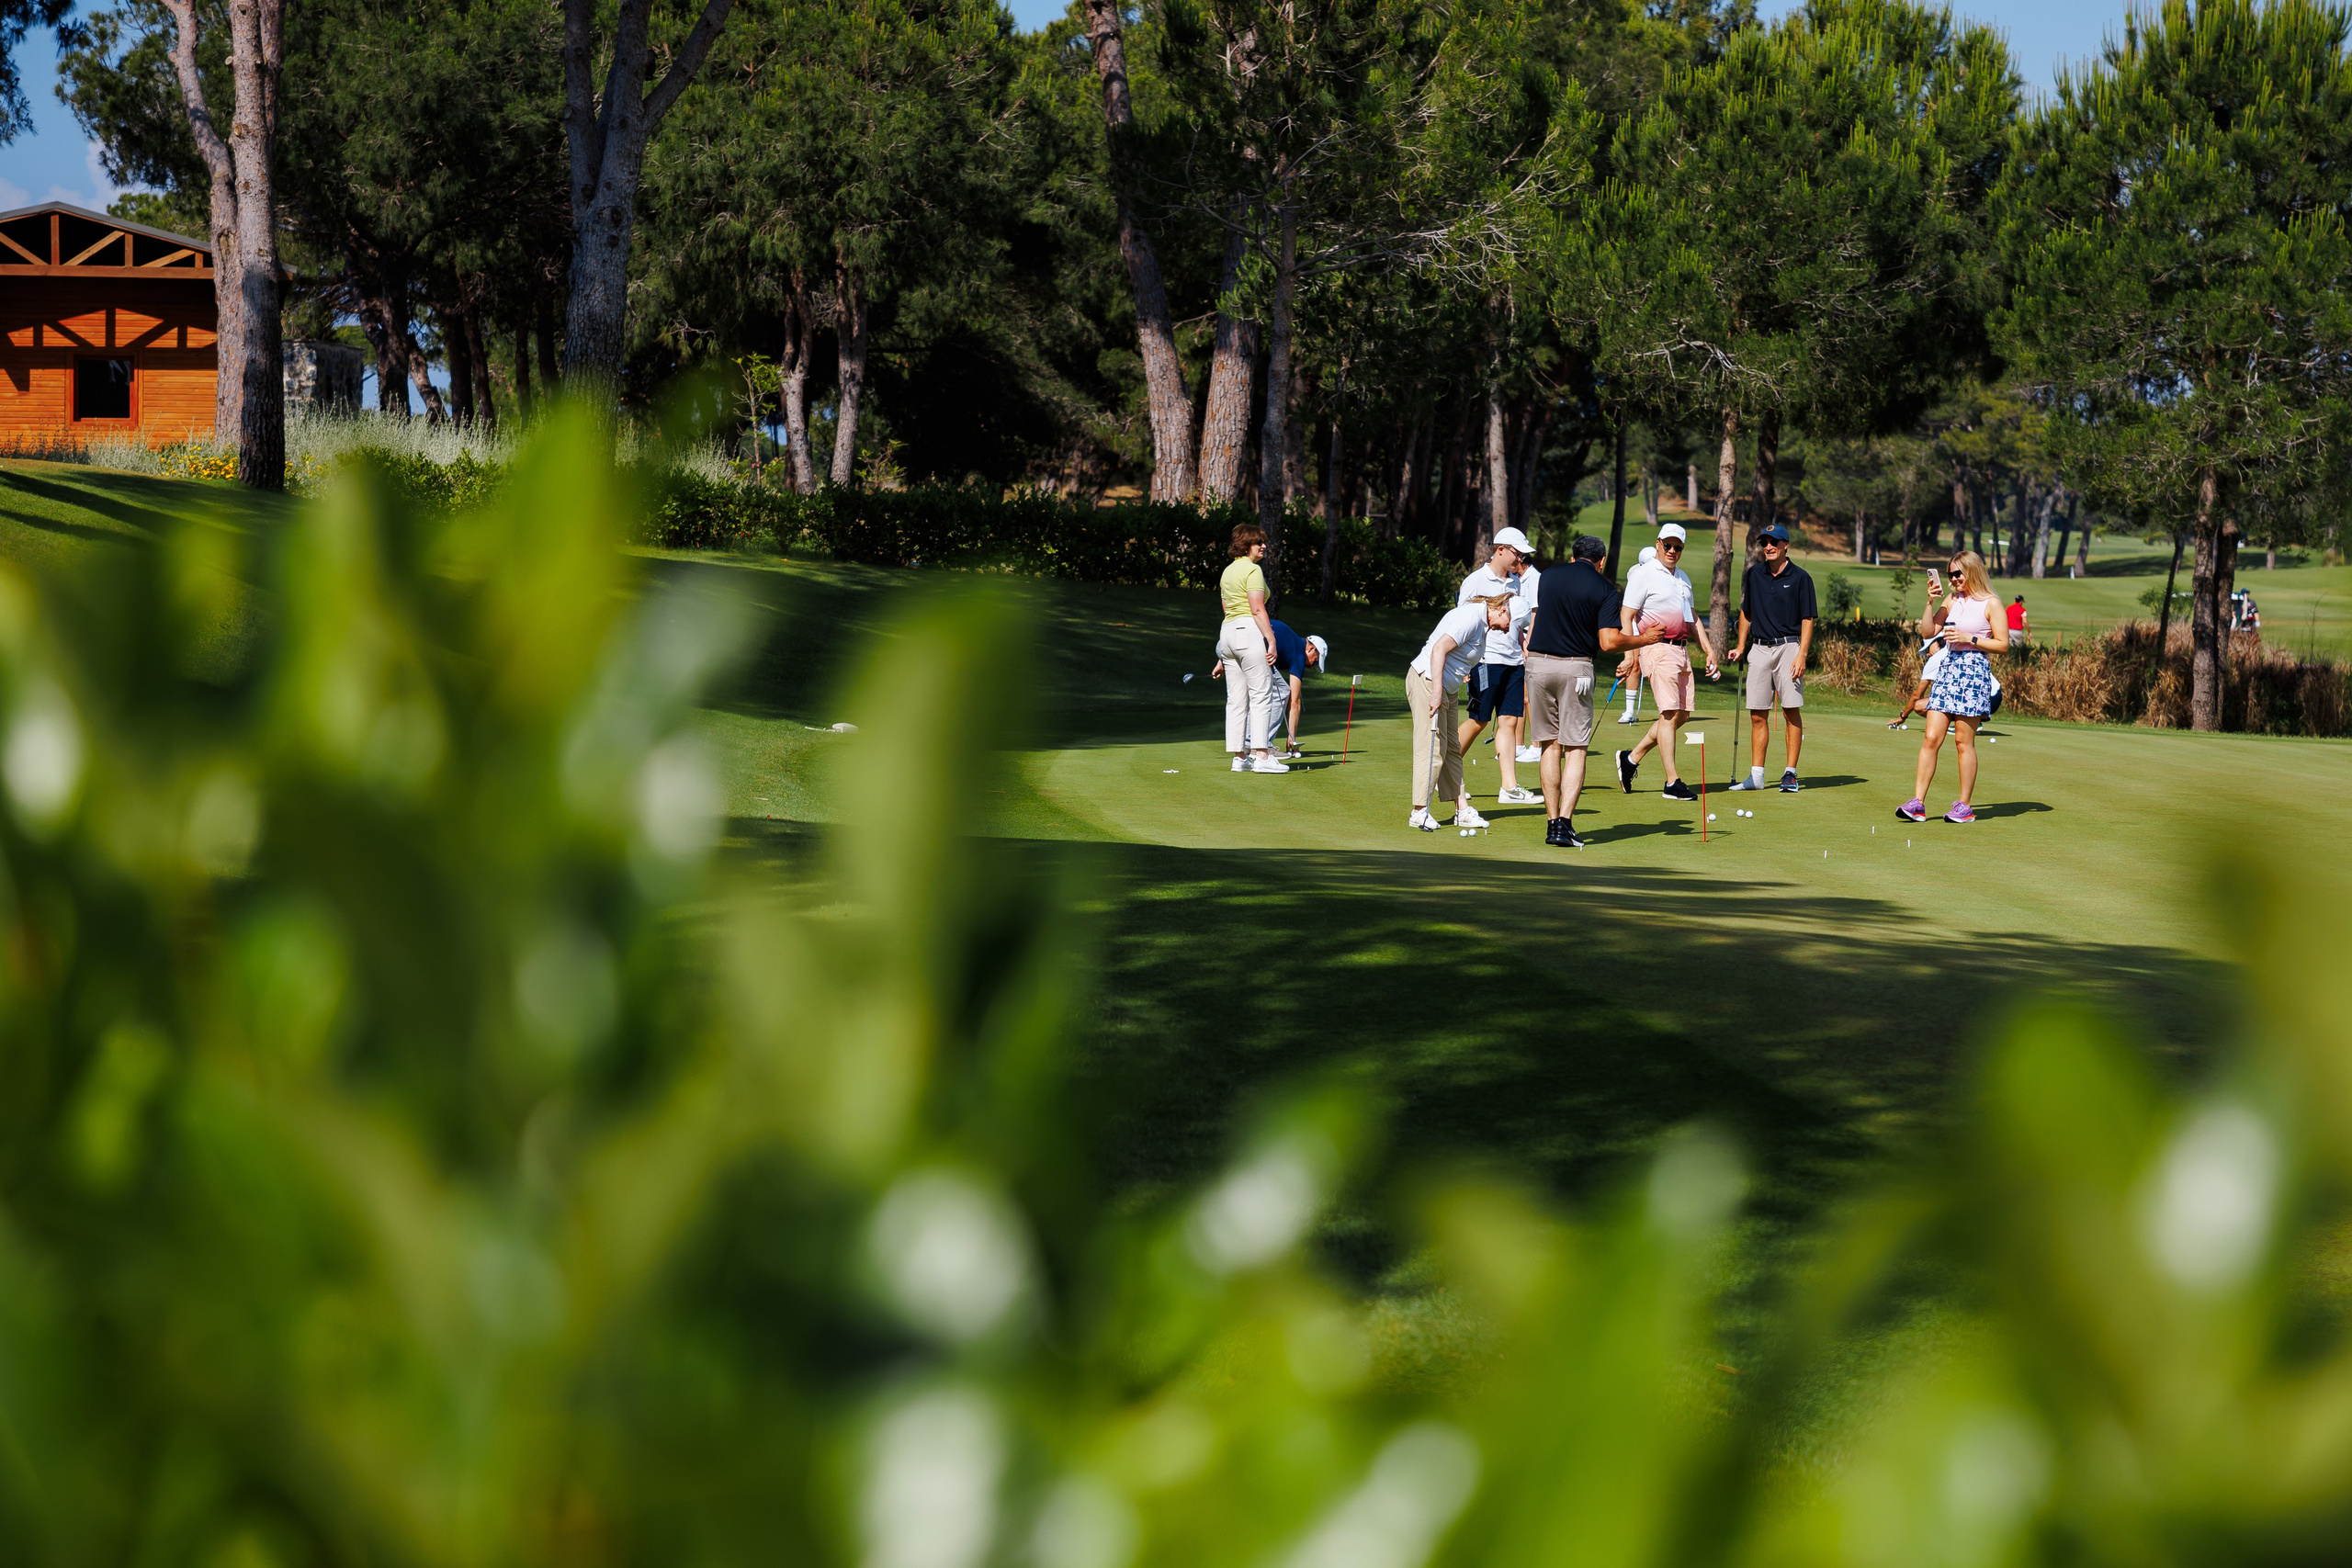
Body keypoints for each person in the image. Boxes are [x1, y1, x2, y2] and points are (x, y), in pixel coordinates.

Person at [1524, 535, 1660, 847]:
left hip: (1538, 665)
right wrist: (1644, 640)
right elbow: (1609, 642)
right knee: (1575, 748)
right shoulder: (1604, 589)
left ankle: (1551, 823)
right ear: (1600, 562)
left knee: (1549, 745)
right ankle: (1564, 824)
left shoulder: (1547, 577)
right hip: (1575, 670)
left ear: (1573, 557)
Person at [1899, 550, 2008, 824]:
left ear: (1972, 571)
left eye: (1958, 573)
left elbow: (2003, 644)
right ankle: (1918, 803)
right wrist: (1929, 602)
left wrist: (1968, 637)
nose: (1954, 579)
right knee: (1931, 737)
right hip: (1948, 667)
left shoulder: (1991, 603)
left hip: (1973, 670)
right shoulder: (1951, 599)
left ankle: (1965, 806)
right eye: (1950, 574)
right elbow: (1927, 632)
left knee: (1962, 741)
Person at [1614, 525, 1719, 802]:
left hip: (1681, 651)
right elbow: (1627, 616)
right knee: (1670, 714)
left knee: (1681, 714)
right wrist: (1629, 654)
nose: (1673, 551)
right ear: (1658, 544)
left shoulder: (1682, 578)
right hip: (1656, 648)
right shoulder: (1644, 574)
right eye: (1668, 546)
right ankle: (1672, 782)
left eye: (1678, 547)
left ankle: (1631, 757)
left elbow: (1692, 617)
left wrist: (1709, 650)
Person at [1407, 593, 1514, 832]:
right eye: (1511, 623)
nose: (1507, 631)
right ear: (1502, 609)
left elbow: (1458, 653)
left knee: (1452, 747)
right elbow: (1438, 649)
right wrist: (1435, 691)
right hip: (1429, 681)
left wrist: (1460, 673)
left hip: (1447, 687)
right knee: (1432, 746)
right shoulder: (1472, 618)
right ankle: (1418, 811)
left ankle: (1462, 810)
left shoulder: (1481, 621)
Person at [1728, 523, 1815, 793]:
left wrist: (1802, 654)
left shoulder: (1801, 577)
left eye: (1774, 542)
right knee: (1757, 714)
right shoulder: (1754, 574)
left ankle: (1790, 774)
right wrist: (1741, 645)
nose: (1768, 547)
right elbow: (1746, 611)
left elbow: (1808, 618)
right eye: (1764, 542)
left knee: (1790, 711)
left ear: (1785, 545)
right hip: (1760, 648)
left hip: (1789, 647)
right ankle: (1757, 776)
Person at [1456, 527, 1540, 804]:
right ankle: (1443, 771)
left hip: (1513, 661)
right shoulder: (1475, 581)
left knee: (1509, 720)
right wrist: (1466, 664)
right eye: (1518, 553)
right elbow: (1461, 625)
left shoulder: (1515, 583)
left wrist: (1523, 645)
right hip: (1484, 661)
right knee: (1479, 720)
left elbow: (1514, 624)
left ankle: (1509, 788)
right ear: (1501, 549)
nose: (1521, 559)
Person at [1216, 524, 1287, 773]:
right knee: (1261, 696)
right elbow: (1257, 608)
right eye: (1259, 543)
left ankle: (1239, 758)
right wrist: (1271, 639)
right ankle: (1262, 757)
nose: (1264, 546)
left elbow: (1226, 608)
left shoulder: (1227, 572)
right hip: (1248, 631)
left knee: (1236, 700)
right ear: (1247, 546)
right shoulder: (1253, 570)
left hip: (1227, 634)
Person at [1208, 623, 1326, 757]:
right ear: (1311, 648)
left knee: (1254, 694)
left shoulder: (1289, 639)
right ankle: (1263, 744)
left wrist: (1223, 660)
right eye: (1315, 661)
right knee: (1282, 692)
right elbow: (1295, 702)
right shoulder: (1299, 652)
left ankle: (1246, 744)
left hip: (1227, 644)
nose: (1311, 666)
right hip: (1250, 651)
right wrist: (1291, 738)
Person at [1616, 545, 1658, 725]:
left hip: (1656, 627)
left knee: (1657, 667)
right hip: (1634, 625)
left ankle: (1667, 708)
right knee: (1634, 666)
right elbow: (1629, 611)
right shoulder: (1636, 576)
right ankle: (1629, 711)